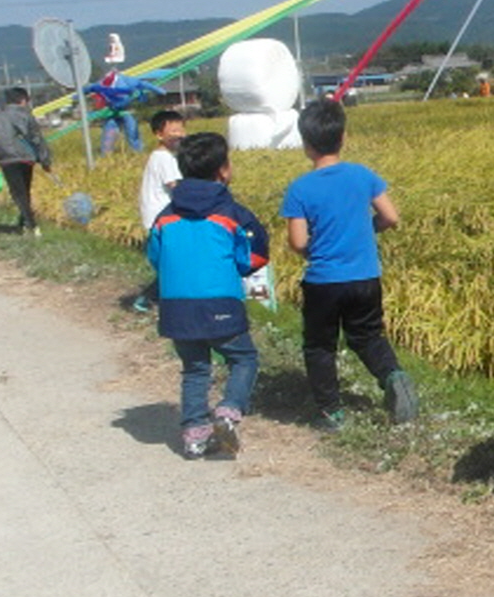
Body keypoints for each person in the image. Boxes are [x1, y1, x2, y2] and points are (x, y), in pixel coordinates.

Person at [280, 97, 418, 428]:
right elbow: (391, 217)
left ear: (306, 144)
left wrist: (314, 249)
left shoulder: (299, 189)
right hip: (365, 277)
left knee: (320, 346)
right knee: (368, 336)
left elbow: (298, 242)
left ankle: (331, 412)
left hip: (324, 281)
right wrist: (366, 231)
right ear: (343, 137)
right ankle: (393, 375)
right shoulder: (362, 175)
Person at [147, 132, 270, 460]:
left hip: (175, 308)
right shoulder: (232, 214)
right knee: (243, 358)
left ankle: (194, 437)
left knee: (194, 367)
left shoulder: (165, 215)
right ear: (224, 170)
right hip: (220, 303)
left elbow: (155, 256)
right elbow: (252, 257)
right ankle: (229, 411)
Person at [132, 108, 188, 313]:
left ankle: (154, 299)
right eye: (173, 131)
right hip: (162, 220)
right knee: (174, 264)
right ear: (159, 134)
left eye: (181, 130)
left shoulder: (160, 156)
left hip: (157, 219)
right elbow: (177, 186)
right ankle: (148, 299)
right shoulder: (165, 158)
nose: (179, 135)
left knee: (171, 263)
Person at [0, 87, 52, 234]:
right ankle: (26, 223)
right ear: (23, 100)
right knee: (24, 190)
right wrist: (45, 160)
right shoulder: (27, 116)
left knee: (18, 193)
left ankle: (31, 225)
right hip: (27, 158)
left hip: (6, 158)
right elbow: (37, 138)